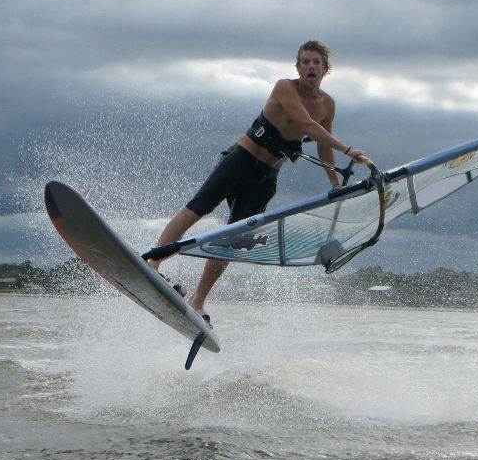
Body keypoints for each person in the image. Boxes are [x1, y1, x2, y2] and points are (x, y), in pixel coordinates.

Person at [143, 40, 371, 327]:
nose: (310, 67)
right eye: (305, 62)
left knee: (232, 239)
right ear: (298, 67)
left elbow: (322, 145)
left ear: (325, 69)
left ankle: (198, 301)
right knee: (197, 209)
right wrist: (348, 150)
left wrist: (335, 183)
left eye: (316, 62)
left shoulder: (327, 105)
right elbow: (307, 126)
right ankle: (153, 265)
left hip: (266, 177)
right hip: (241, 160)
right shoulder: (284, 87)